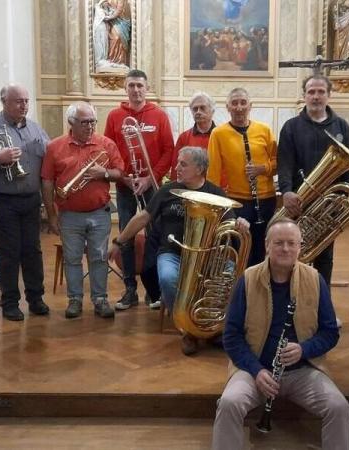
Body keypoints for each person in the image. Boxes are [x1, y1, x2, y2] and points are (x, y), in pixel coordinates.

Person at [212, 218, 349, 450]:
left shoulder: (315, 280)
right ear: (267, 245)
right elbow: (231, 337)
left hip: (302, 370)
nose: (285, 249)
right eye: (279, 243)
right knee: (229, 402)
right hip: (254, 370)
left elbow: (330, 333)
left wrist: (304, 349)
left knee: (339, 406)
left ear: (300, 247)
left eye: (291, 243)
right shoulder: (248, 279)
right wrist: (256, 370)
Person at [109, 147, 249, 355]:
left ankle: (212, 327)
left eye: (183, 164)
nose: (177, 168)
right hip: (172, 253)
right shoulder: (168, 191)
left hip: (207, 255)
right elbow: (142, 218)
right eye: (178, 163)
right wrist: (119, 241)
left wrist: (240, 222)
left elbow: (230, 221)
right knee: (167, 277)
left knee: (230, 273)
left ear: (200, 168)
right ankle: (187, 330)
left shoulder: (216, 193)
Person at [41, 102, 124, 319]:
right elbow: (47, 181)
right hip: (69, 214)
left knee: (98, 257)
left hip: (99, 212)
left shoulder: (106, 143)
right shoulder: (54, 147)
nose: (90, 126)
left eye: (92, 122)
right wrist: (51, 215)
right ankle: (75, 299)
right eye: (84, 122)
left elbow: (119, 172)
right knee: (72, 258)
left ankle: (100, 299)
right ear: (71, 123)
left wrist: (103, 173)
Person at [104, 69, 174, 311]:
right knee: (127, 234)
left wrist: (150, 177)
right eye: (131, 85)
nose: (135, 90)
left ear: (147, 87)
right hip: (125, 186)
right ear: (126, 88)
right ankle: (130, 289)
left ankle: (154, 289)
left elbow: (169, 151)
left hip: (152, 186)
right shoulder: (115, 116)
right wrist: (125, 176)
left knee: (156, 235)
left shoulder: (159, 115)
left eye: (139, 86)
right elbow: (109, 151)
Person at [0, 83, 50, 321]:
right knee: (9, 252)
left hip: (31, 199)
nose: (24, 105)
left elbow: (49, 159)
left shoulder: (36, 129)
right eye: (18, 101)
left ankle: (36, 298)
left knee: (32, 251)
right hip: (3, 199)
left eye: (26, 101)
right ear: (4, 102)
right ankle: (10, 302)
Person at [277, 74, 349, 286]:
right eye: (311, 92)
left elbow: (348, 170)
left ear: (329, 95)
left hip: (328, 206)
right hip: (297, 203)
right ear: (304, 96)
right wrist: (286, 192)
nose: (316, 96)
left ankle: (322, 306)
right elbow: (284, 163)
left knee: (324, 257)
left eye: (321, 92)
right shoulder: (291, 127)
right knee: (291, 254)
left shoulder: (342, 127)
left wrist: (342, 203)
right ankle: (291, 301)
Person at [207, 87, 277, 267]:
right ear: (227, 107)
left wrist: (263, 168)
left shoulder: (264, 130)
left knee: (263, 247)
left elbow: (279, 162)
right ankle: (243, 287)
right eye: (234, 103)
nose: (239, 107)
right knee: (241, 248)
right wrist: (216, 205)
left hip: (266, 199)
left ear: (250, 106)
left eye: (243, 103)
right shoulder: (218, 134)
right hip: (237, 202)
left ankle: (260, 285)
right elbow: (213, 173)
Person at [169, 92, 216, 182]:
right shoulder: (184, 137)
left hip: (215, 189)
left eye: (202, 108)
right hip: (190, 189)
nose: (198, 112)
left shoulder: (220, 136)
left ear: (212, 111)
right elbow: (177, 167)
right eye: (195, 109)